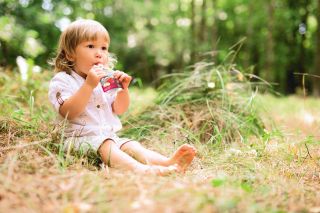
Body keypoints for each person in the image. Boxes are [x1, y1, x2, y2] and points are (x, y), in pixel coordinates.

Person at [48, 19, 197, 175]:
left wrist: (123, 90)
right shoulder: (63, 80)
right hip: (76, 141)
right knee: (107, 145)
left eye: (104, 48)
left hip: (108, 137)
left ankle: (167, 162)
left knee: (132, 146)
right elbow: (68, 112)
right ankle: (141, 170)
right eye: (90, 46)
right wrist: (88, 86)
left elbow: (119, 109)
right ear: (70, 55)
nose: (99, 53)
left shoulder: (105, 80)